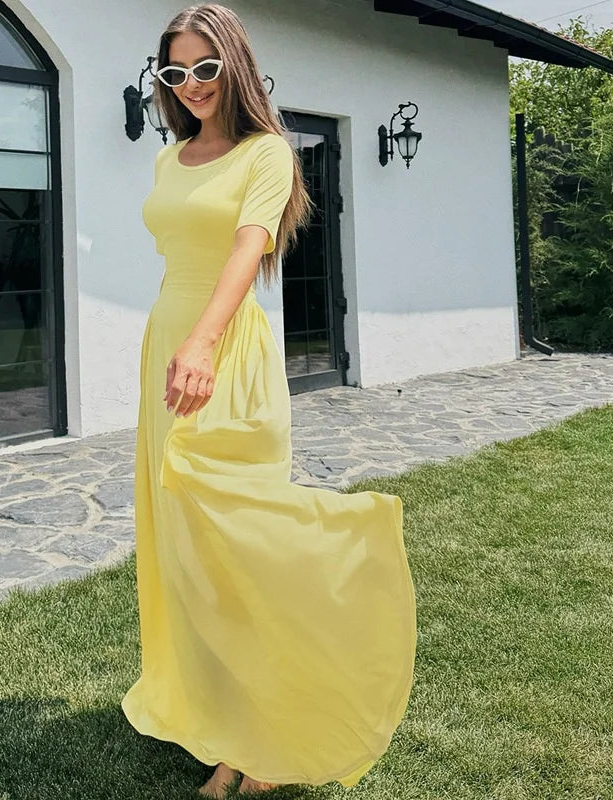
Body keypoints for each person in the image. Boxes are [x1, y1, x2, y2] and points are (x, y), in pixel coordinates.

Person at [120, 4, 418, 797]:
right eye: (175, 73)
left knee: (238, 542)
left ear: (235, 67)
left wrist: (202, 345)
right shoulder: (168, 159)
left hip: (223, 354)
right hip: (169, 349)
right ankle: (222, 715)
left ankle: (261, 738)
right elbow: (179, 258)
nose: (192, 86)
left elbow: (245, 256)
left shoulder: (267, 154)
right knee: (185, 549)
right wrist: (174, 344)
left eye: (206, 68)